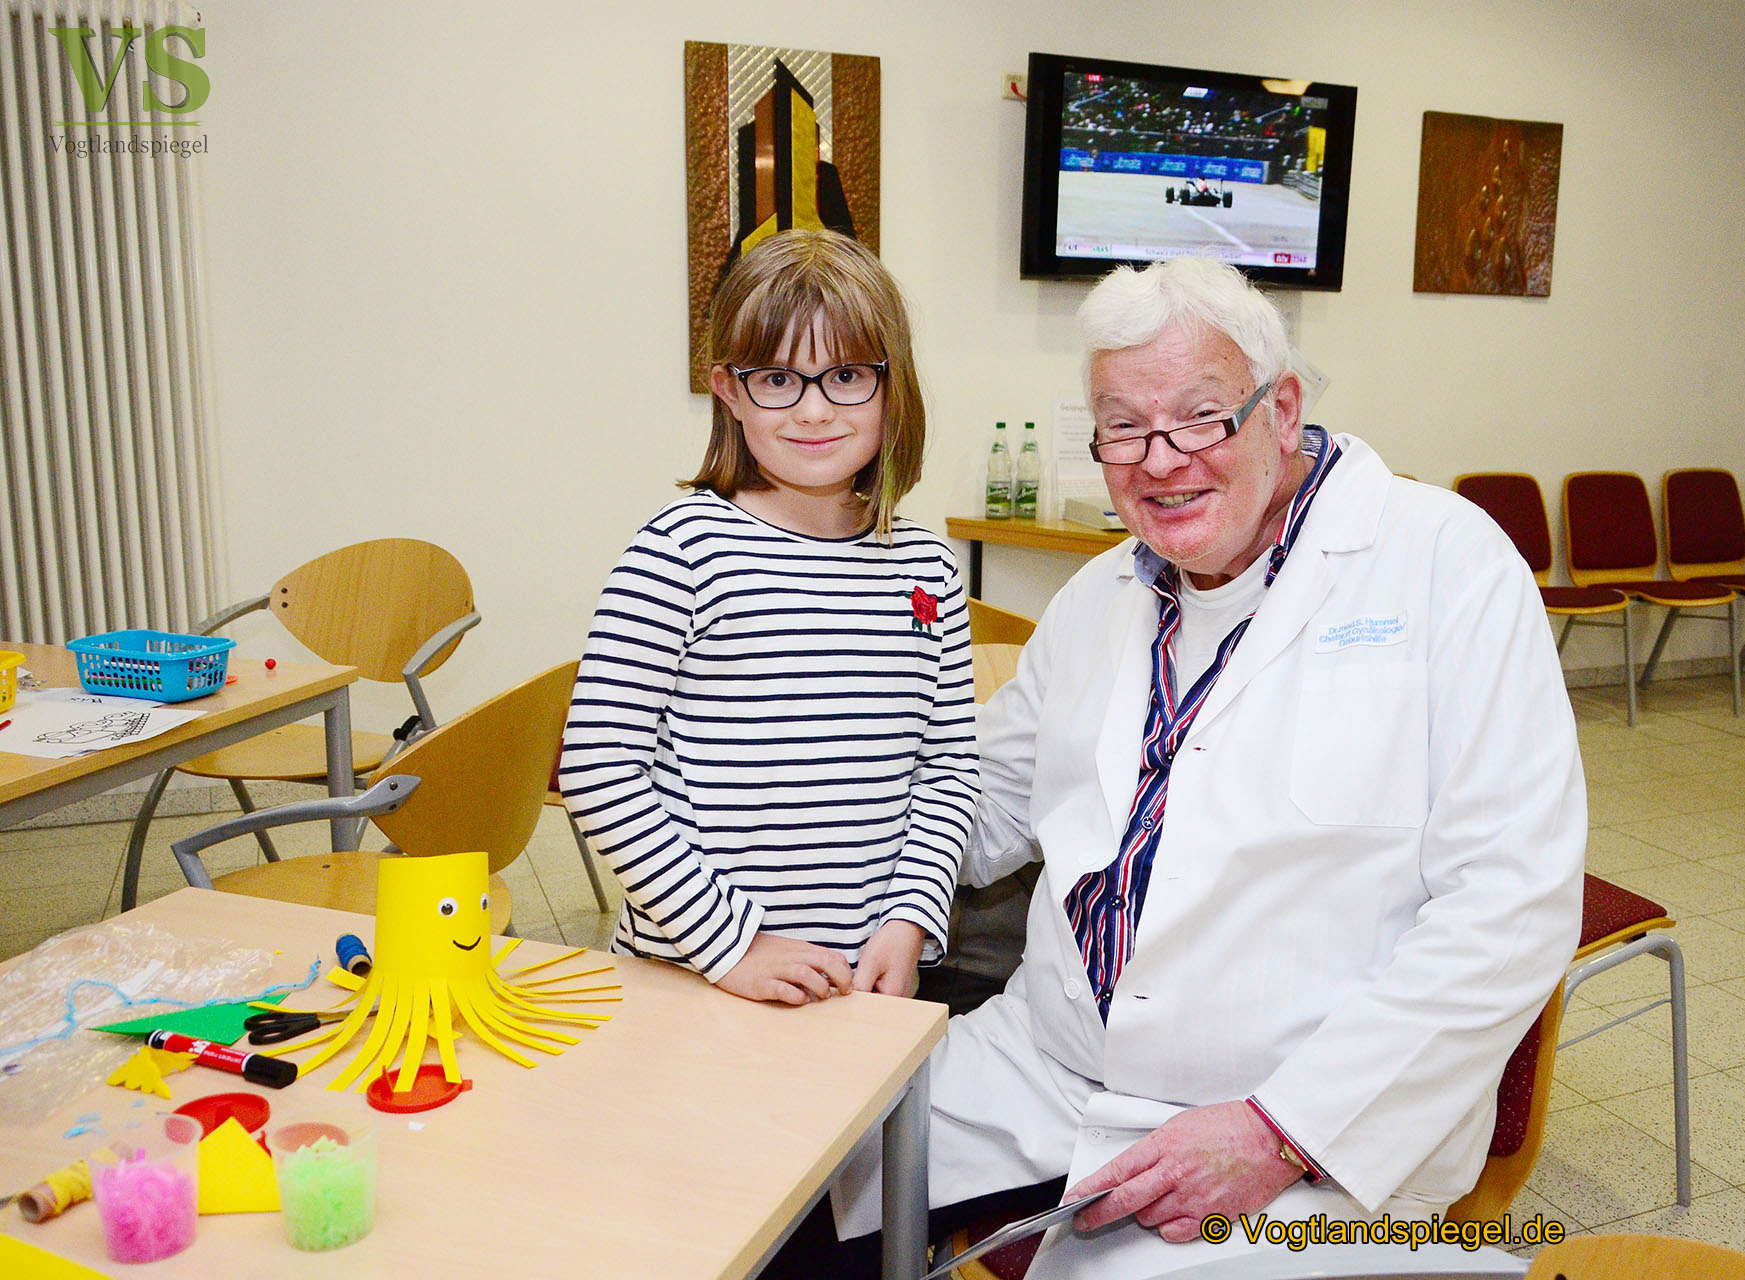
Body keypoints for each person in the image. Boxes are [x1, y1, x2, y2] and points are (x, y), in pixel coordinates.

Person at [823, 256, 1586, 1279]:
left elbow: (1513, 902)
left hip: (1292, 1121)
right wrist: (764, 898)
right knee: (787, 1183)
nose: (1161, 458)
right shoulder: (1100, 596)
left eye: (1200, 415)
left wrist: (1280, 1128)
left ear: (1284, 410)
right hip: (1050, 1065)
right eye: (1123, 427)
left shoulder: (1446, 564)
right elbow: (980, 793)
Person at [559, 228, 979, 1006]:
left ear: (894, 387)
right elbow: (598, 768)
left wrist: (912, 917)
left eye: (848, 375)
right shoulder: (682, 549)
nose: (814, 410)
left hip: (858, 974)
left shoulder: (927, 567)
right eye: (778, 378)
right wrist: (732, 945)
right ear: (729, 391)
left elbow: (948, 766)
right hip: (691, 970)